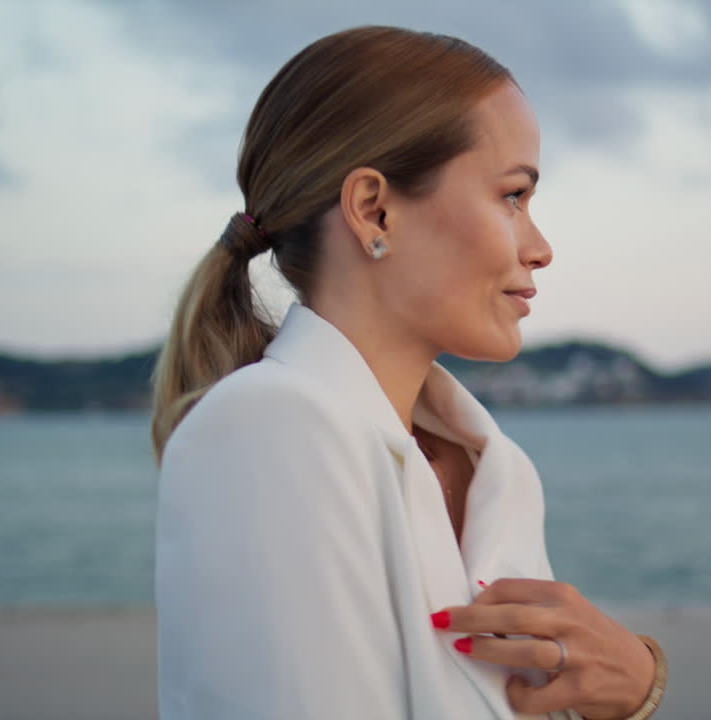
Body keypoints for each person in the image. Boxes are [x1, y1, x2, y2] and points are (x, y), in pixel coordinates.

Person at [149, 24, 667, 720]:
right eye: (513, 196)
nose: (541, 248)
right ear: (374, 210)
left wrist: (634, 690)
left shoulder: (497, 472)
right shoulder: (269, 428)